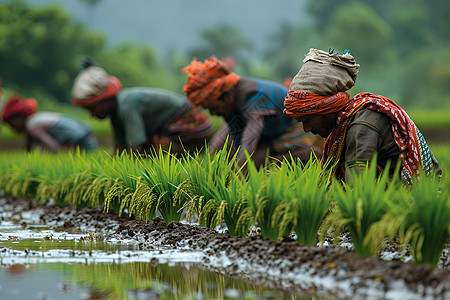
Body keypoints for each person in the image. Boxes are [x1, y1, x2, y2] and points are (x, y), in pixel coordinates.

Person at [284, 48, 441, 185]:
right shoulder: (350, 120)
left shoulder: (361, 126)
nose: (306, 128)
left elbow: (357, 188)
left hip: (413, 199)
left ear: (327, 108)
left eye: (307, 120)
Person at [181, 56, 322, 169]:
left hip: (291, 128)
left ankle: (311, 155)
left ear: (226, 96)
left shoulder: (252, 95)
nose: (213, 113)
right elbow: (229, 143)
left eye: (213, 107)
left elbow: (249, 142)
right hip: (269, 131)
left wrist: (238, 176)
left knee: (254, 161)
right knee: (224, 154)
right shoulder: (231, 104)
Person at [71, 64, 215, 156]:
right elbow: (120, 150)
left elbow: (135, 148)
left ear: (105, 100)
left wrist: (131, 178)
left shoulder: (127, 105)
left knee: (148, 149)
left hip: (192, 128)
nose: (92, 115)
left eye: (93, 108)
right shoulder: (115, 114)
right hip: (175, 129)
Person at [1, 94, 98, 152]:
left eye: (12, 123)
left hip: (83, 143)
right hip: (87, 137)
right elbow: (28, 148)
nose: (12, 127)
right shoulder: (35, 120)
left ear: (19, 118)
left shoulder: (32, 126)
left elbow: (54, 146)